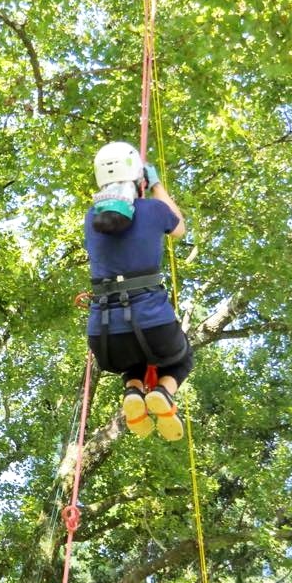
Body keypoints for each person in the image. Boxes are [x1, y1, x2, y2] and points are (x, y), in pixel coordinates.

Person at [85, 142, 193, 442]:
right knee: (181, 359)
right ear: (137, 175)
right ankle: (163, 392)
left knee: (133, 355)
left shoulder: (91, 218)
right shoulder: (154, 210)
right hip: (153, 323)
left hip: (104, 337)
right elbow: (180, 228)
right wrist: (156, 185)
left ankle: (133, 390)